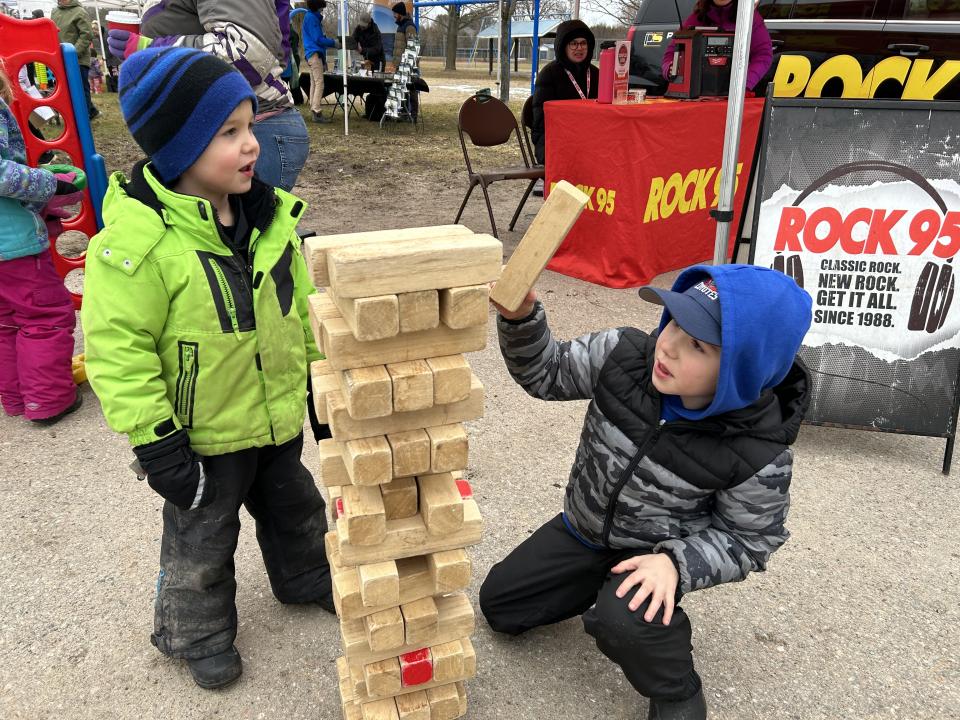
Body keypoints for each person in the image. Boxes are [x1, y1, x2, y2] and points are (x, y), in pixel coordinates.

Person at [80, 47, 334, 690]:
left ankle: (304, 576)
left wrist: (320, 384)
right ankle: (193, 631)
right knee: (202, 538)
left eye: (250, 127)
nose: (251, 145)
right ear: (177, 147)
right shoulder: (138, 243)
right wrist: (156, 442)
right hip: (202, 435)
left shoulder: (269, 217)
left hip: (273, 414)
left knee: (295, 506)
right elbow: (119, 350)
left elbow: (298, 309)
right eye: (229, 133)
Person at [480, 264, 812, 720]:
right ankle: (594, 585)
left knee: (624, 620)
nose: (669, 345)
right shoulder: (622, 354)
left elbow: (749, 540)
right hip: (583, 531)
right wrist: (521, 317)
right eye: (675, 321)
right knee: (500, 605)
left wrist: (676, 563)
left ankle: (676, 690)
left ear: (741, 368)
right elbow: (546, 371)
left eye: (697, 345)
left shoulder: (758, 452)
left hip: (650, 555)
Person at [107, 0, 310, 192]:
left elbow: (246, 53)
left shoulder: (247, 140)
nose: (252, 146)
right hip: (208, 128)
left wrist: (153, 50)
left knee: (240, 223)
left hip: (257, 121)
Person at [0, 64, 83, 425]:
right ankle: (48, 400)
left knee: (4, 322)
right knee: (43, 316)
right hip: (11, 243)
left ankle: (17, 397)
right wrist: (48, 184)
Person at [529, 19, 599, 194]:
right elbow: (540, 121)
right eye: (573, 44)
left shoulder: (597, 74)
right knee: (581, 158)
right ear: (563, 46)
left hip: (592, 139)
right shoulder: (549, 74)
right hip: (553, 140)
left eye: (583, 43)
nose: (579, 48)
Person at [661, 0, 773, 92]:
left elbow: (763, 55)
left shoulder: (750, 18)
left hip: (736, 99)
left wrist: (744, 85)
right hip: (699, 97)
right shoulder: (695, 19)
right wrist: (671, 69)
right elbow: (672, 54)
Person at [51, 0, 99, 120]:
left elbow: (86, 35)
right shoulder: (54, 11)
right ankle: (89, 111)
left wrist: (72, 53)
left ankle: (85, 116)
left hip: (78, 59)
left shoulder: (80, 12)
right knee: (66, 89)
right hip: (60, 58)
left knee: (81, 88)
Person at [302, 0, 336, 123]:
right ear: (318, 7)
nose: (323, 10)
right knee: (319, 83)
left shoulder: (310, 17)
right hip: (314, 54)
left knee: (314, 83)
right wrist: (333, 43)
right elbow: (318, 39)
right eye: (322, 7)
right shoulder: (312, 18)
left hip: (312, 54)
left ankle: (313, 108)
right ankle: (316, 111)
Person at [389, 2, 416, 72]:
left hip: (405, 67)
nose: (394, 16)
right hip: (399, 66)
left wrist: (407, 65)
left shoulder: (409, 27)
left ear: (400, 13)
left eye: (395, 13)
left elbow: (412, 48)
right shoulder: (400, 26)